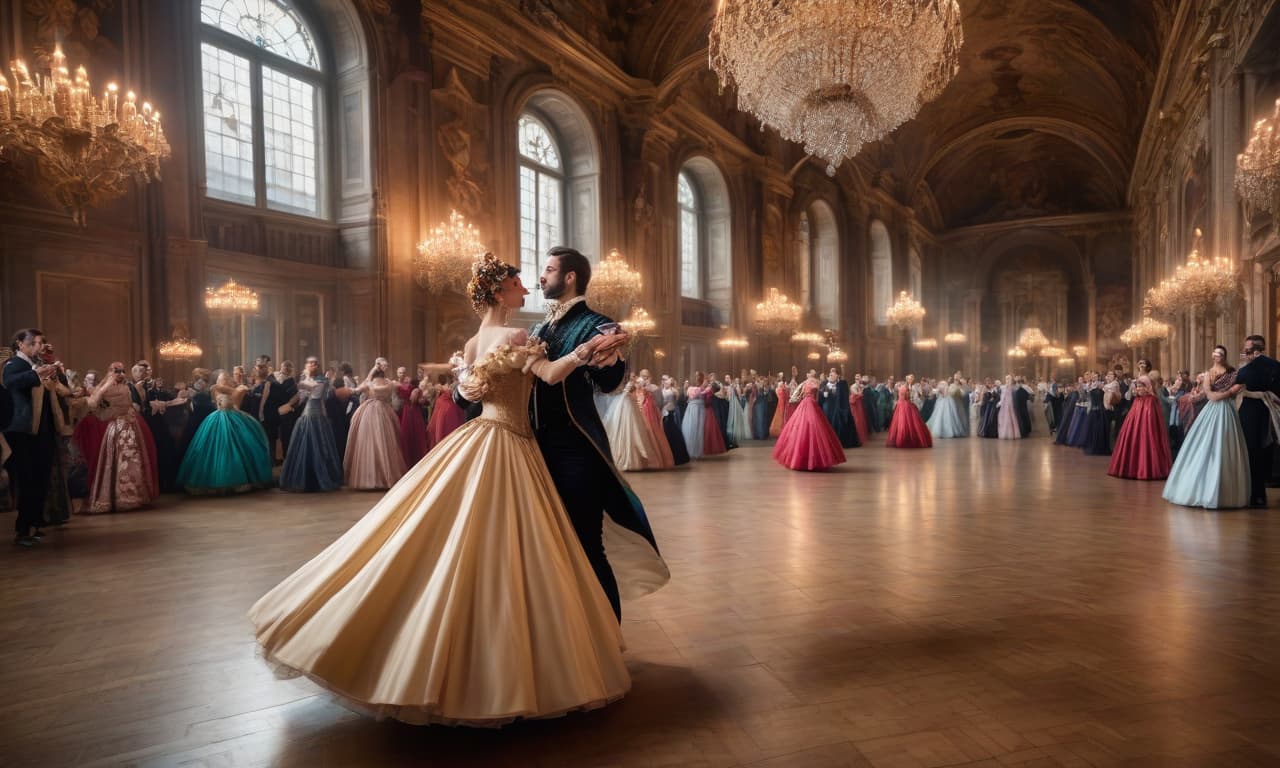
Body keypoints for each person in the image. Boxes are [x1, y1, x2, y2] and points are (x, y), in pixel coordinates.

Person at [252, 255, 654, 726]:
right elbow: (545, 375)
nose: (529, 286)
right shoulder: (521, 335)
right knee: (524, 554)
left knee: (484, 547)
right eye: (520, 283)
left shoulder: (483, 339)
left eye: (538, 276)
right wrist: (581, 354)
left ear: (567, 277)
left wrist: (605, 350)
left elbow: (471, 394)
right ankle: (533, 663)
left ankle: (512, 654)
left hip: (507, 442)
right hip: (516, 445)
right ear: (501, 292)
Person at [1163, 346, 1250, 509]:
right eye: (1215, 354)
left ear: (1224, 356)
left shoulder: (1233, 372)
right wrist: (1230, 391)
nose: (1217, 357)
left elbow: (1239, 390)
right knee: (1206, 445)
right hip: (1213, 410)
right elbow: (1210, 395)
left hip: (1229, 411)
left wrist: (1233, 392)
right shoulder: (1209, 374)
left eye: (1220, 354)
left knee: (1227, 446)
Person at [3, 329, 59, 546]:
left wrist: (48, 372)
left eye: (40, 343)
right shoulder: (13, 364)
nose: (38, 347)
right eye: (34, 343)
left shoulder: (34, 364)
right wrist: (38, 374)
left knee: (40, 478)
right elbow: (11, 382)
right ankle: (23, 529)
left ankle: (34, 523)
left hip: (40, 430)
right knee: (27, 480)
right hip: (22, 431)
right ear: (20, 344)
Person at [177, 371, 273, 494]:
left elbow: (236, 395)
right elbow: (214, 400)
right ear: (218, 380)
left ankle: (240, 478)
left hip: (233, 415)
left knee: (242, 444)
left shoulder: (236, 388)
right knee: (214, 447)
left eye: (226, 377)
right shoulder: (215, 388)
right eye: (222, 378)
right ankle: (215, 480)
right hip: (217, 417)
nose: (224, 379)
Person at [279, 358, 343, 492]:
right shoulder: (304, 379)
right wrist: (289, 405)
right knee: (304, 446)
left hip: (318, 414)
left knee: (320, 446)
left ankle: (321, 477)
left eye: (315, 363)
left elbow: (316, 392)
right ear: (306, 365)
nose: (313, 365)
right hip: (307, 414)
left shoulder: (322, 380)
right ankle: (303, 478)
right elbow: (301, 396)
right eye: (310, 363)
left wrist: (305, 379)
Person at [343, 360, 407, 490]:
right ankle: (387, 476)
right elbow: (402, 388)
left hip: (369, 412)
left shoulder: (368, 383)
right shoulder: (390, 383)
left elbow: (355, 391)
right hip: (385, 411)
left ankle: (368, 477)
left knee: (368, 443)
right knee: (386, 442)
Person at [1235, 335, 1280, 507]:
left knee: (1251, 453)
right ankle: (1262, 492)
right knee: (1266, 451)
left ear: (1254, 350)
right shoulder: (1275, 365)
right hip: (1269, 412)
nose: (1245, 354)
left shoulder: (1246, 370)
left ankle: (1257, 495)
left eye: (1246, 350)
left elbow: (1238, 387)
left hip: (1250, 412)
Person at [773, 370, 846, 471]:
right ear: (808, 374)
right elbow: (801, 395)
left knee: (811, 428)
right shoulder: (811, 383)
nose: (810, 374)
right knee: (806, 427)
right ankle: (802, 460)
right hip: (808, 404)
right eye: (809, 373)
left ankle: (810, 460)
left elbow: (815, 394)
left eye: (811, 373)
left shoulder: (811, 382)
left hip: (810, 404)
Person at [1108, 375, 1172, 481]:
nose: (1139, 389)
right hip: (1135, 428)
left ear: (1147, 387)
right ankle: (1130, 469)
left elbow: (1152, 418)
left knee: (1146, 446)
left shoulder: (1152, 400)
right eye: (1137, 387)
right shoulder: (1137, 400)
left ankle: (1147, 469)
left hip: (1148, 431)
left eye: (1141, 386)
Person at [886, 374, 932, 449]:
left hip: (903, 405)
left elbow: (911, 397)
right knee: (904, 422)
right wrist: (910, 392)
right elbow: (907, 397)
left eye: (912, 379)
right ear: (907, 379)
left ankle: (906, 438)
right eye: (910, 379)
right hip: (905, 405)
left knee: (907, 422)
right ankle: (904, 439)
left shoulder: (907, 387)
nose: (912, 380)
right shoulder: (906, 387)